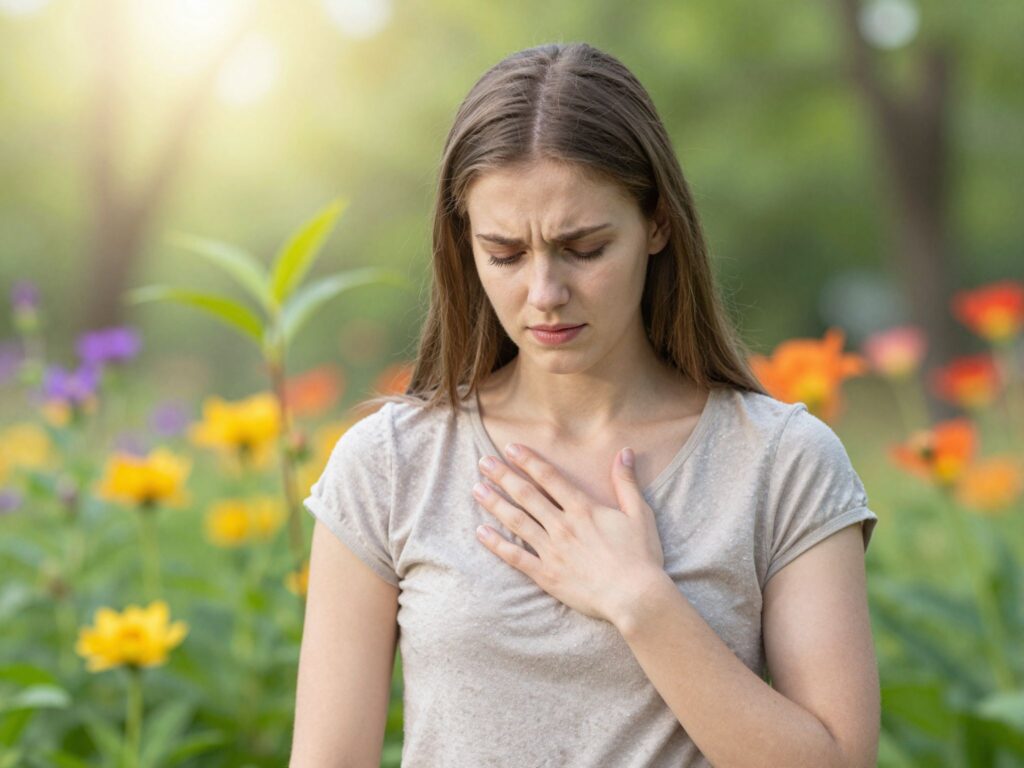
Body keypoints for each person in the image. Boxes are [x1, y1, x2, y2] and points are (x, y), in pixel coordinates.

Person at [290, 42, 880, 768]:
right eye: (505, 254)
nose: (544, 293)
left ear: (657, 223)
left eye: (585, 247)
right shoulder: (389, 464)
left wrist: (641, 602)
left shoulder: (783, 461)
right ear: (463, 244)